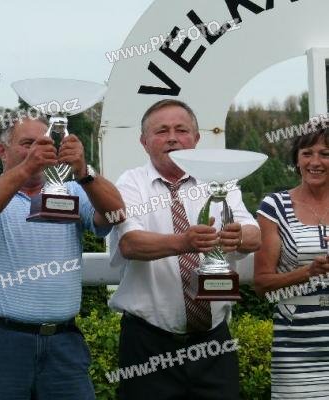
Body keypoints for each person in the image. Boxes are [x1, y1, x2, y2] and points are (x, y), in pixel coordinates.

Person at [0, 113, 124, 400]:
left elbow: (116, 214)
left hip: (63, 343)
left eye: (46, 143)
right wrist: (26, 168)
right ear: (2, 151)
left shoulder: (72, 191)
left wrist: (84, 171)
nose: (39, 150)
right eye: (28, 144)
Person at [109, 99, 261, 400]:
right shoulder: (130, 183)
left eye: (181, 130)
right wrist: (184, 242)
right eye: (161, 131)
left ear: (196, 138)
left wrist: (238, 236)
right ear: (143, 142)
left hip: (214, 343)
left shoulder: (221, 181)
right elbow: (130, 243)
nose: (172, 138)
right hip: (148, 344)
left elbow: (254, 235)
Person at [254, 127, 329, 399]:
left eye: (325, 154)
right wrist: (308, 272)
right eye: (307, 153)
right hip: (297, 345)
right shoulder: (274, 206)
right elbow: (261, 285)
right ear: (296, 160)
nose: (315, 162)